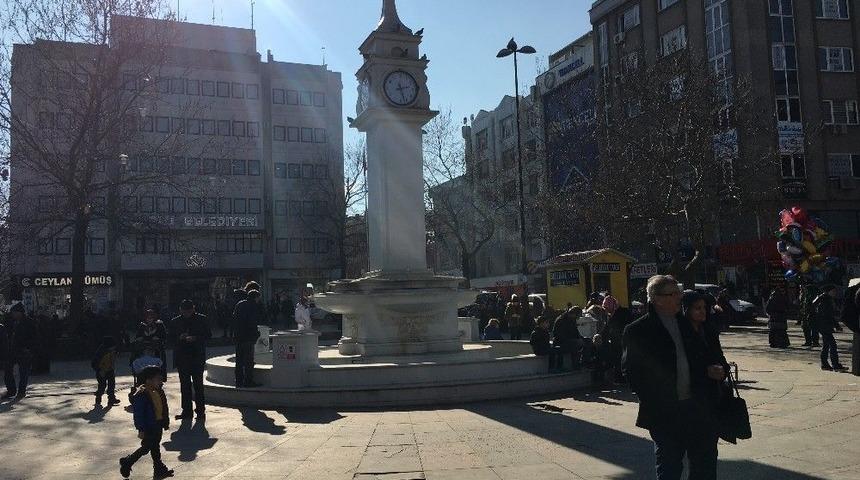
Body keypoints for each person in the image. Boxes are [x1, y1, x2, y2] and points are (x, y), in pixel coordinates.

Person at [622, 276, 727, 480]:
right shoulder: (637, 331)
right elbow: (631, 372)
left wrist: (713, 369)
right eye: (673, 293)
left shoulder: (691, 324)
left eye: (678, 291)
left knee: (704, 466)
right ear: (657, 299)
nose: (680, 296)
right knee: (669, 468)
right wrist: (653, 398)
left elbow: (711, 355)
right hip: (665, 413)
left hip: (699, 408)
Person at [119, 366, 174, 479]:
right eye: (158, 378)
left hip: (158, 424)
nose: (160, 381)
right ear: (148, 380)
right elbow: (139, 414)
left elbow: (164, 407)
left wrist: (165, 421)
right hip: (149, 426)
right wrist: (141, 429)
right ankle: (128, 462)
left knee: (155, 447)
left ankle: (158, 468)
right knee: (146, 448)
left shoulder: (159, 391)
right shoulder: (142, 394)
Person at [170, 299, 211, 419]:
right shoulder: (175, 321)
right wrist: (179, 337)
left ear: (193, 309)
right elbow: (170, 338)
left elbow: (208, 335)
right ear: (180, 310)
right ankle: (187, 411)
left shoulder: (201, 319)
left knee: (198, 385)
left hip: (196, 356)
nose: (187, 314)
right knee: (185, 386)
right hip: (182, 357)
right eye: (184, 311)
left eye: (189, 311)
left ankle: (200, 410)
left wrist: (196, 338)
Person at [3, 302, 36, 400]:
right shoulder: (12, 322)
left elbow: (34, 337)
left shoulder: (29, 322)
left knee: (24, 372)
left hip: (24, 350)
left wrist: (29, 348)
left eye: (14, 312)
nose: (12, 314)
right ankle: (11, 390)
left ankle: (21, 392)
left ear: (19, 313)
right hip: (13, 350)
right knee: (8, 369)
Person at [233, 289, 264, 388]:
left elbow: (234, 319)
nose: (259, 300)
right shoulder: (253, 306)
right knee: (248, 361)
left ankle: (238, 381)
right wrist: (256, 334)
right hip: (248, 337)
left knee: (239, 361)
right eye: (258, 298)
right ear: (256, 297)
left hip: (238, 337)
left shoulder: (239, 304)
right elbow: (252, 322)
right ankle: (248, 381)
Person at [814, 284, 846, 371]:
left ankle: (826, 364)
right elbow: (828, 315)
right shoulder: (825, 300)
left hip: (823, 325)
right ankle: (834, 364)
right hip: (824, 325)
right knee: (832, 345)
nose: (835, 293)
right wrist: (837, 325)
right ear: (828, 291)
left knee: (826, 345)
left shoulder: (823, 299)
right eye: (833, 291)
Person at [602, 306, 633, 383]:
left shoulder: (613, 319)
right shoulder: (627, 316)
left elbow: (606, 331)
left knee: (618, 360)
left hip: (616, 342)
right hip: (626, 342)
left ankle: (619, 378)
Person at [137, 309, 168, 378]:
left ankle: (160, 376)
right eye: (148, 318)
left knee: (159, 362)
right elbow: (138, 336)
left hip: (157, 349)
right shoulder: (142, 325)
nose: (149, 320)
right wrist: (140, 338)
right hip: (144, 349)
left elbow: (164, 336)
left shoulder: (159, 325)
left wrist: (158, 339)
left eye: (151, 318)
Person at [91, 335, 121, 406]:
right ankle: (98, 399)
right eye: (113, 346)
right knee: (102, 386)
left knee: (112, 385)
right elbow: (94, 363)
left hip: (110, 370)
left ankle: (111, 399)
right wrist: (99, 370)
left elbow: (112, 359)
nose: (114, 348)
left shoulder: (111, 351)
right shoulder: (100, 353)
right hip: (102, 371)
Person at [552, 306, 584, 370]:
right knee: (576, 343)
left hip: (571, 339)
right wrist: (575, 340)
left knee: (588, 341)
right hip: (561, 341)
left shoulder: (572, 320)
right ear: (574, 314)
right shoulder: (561, 320)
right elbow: (559, 335)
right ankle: (575, 365)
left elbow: (576, 332)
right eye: (577, 316)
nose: (578, 318)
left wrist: (581, 338)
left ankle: (585, 362)